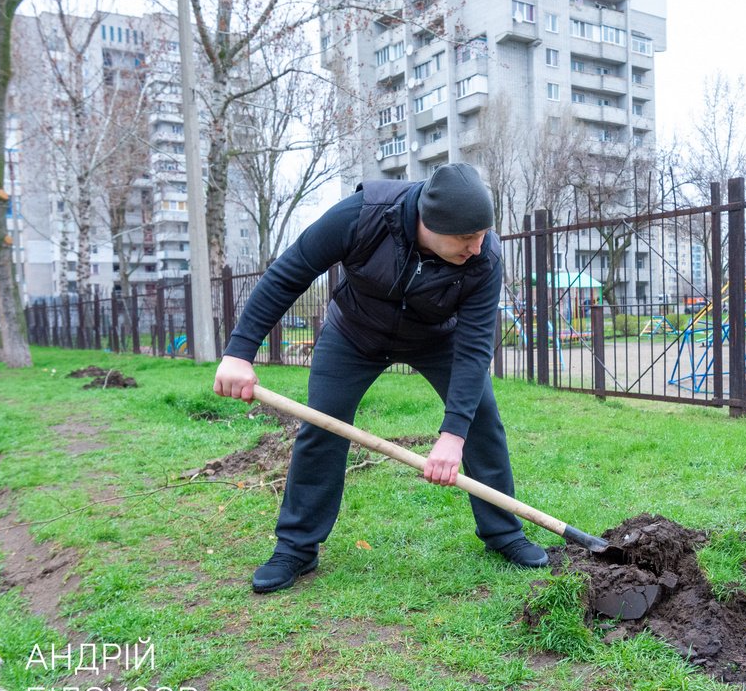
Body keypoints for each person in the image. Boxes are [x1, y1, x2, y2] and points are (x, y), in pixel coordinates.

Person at [214, 162, 549, 594]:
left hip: (437, 338)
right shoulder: (363, 215)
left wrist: (453, 433)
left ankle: (504, 534)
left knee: (481, 421)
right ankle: (296, 548)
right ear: (428, 222)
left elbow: (474, 348)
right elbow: (289, 273)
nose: (476, 247)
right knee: (322, 424)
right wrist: (239, 352)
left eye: (482, 234)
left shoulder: (485, 258)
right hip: (354, 331)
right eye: (466, 238)